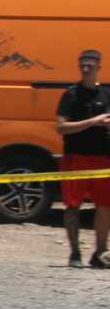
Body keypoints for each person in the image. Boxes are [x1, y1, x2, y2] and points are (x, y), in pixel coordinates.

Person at [55, 49, 110, 268]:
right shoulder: (71, 95)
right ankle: (75, 253)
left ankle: (100, 253)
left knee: (105, 206)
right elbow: (61, 127)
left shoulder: (106, 94)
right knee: (72, 206)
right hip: (75, 157)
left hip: (103, 158)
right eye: (82, 65)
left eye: (90, 65)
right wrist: (93, 121)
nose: (85, 69)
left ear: (99, 67)